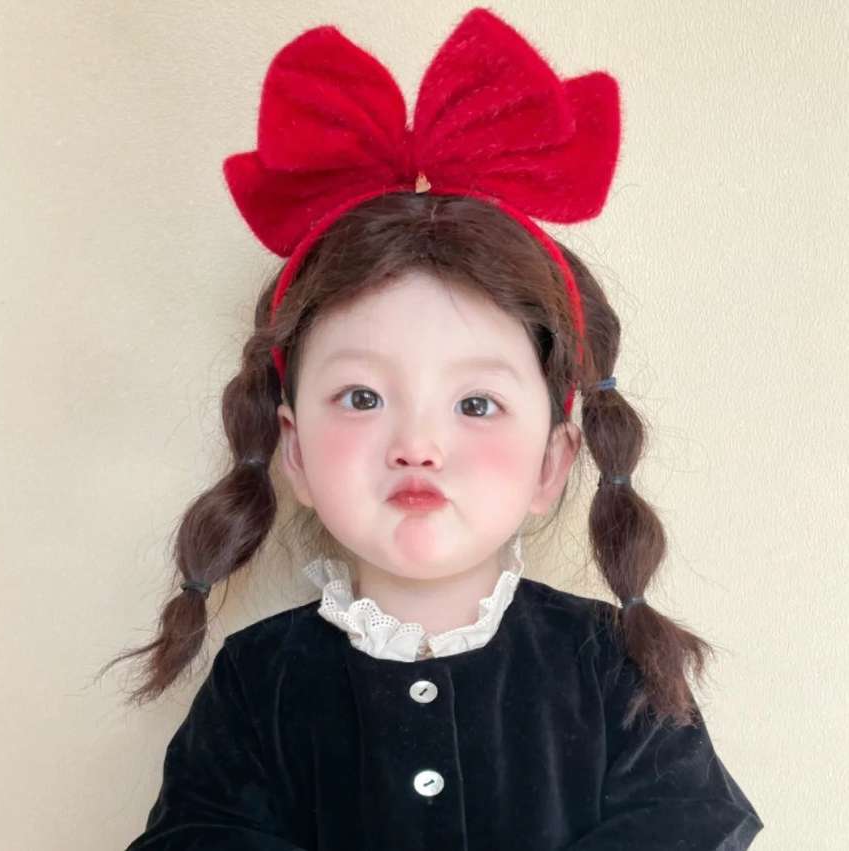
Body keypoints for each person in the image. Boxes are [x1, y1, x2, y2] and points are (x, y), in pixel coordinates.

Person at [114, 7, 764, 849]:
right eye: (361, 397)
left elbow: (681, 824)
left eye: (475, 403)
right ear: (294, 452)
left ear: (552, 461)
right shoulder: (255, 678)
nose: (416, 444)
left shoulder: (615, 662)